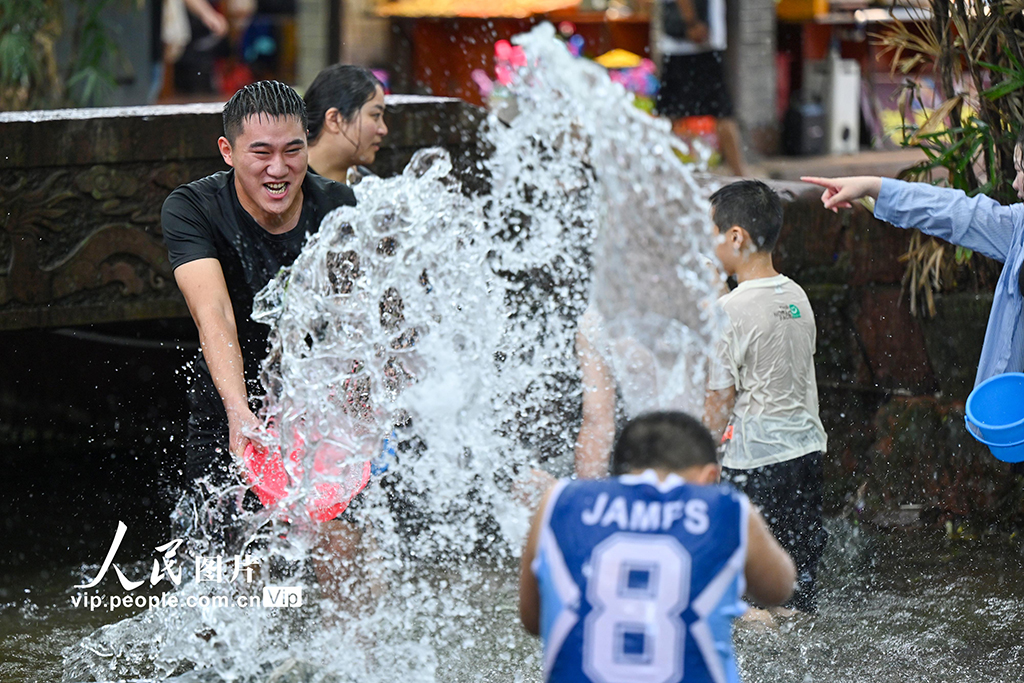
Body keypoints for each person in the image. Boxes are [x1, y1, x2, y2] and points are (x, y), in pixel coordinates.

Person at [161, 81, 360, 564]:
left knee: (347, 549)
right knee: (226, 564)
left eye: (293, 150)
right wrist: (238, 409)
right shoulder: (193, 208)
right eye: (261, 153)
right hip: (229, 406)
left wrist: (365, 390)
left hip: (318, 409)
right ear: (228, 151)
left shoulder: (340, 207)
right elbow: (214, 314)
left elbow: (364, 314)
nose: (279, 169)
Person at [519, 411, 795, 683]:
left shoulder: (558, 500)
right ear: (711, 476)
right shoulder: (727, 508)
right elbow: (779, 589)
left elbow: (532, 619)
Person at [702, 180, 828, 614]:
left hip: (754, 463)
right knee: (795, 585)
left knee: (745, 594)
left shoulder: (726, 312)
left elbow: (720, 400)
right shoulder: (797, 296)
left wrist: (699, 458)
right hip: (807, 453)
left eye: (710, 234)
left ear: (736, 237)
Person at [802, 161, 1024, 389]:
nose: (1015, 183)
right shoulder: (1018, 227)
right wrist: (873, 186)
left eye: (1021, 170)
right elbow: (954, 210)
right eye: (1015, 169)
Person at [656, 0, 746, 176]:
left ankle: (662, 169)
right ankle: (740, 174)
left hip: (699, 46)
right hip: (690, 47)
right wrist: (692, 23)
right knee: (721, 112)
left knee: (674, 114)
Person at [305, 64, 388, 185]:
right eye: (375, 115)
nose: (383, 130)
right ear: (334, 120)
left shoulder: (368, 185)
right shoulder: (288, 185)